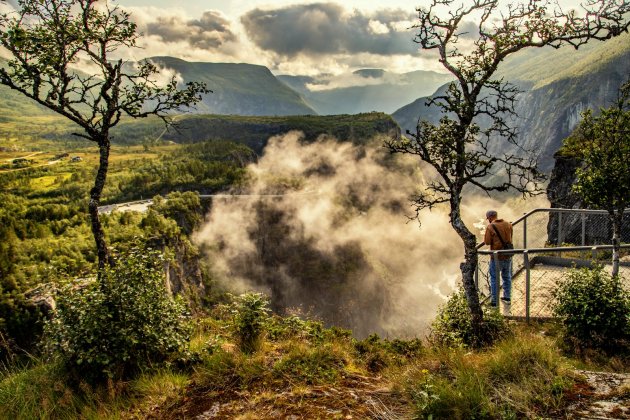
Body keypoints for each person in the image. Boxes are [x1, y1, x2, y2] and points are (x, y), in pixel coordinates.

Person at [484, 210, 513, 307]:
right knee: (507, 276)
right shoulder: (508, 224)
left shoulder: (490, 226)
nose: (488, 220)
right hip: (508, 254)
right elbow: (510, 237)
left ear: (490, 217)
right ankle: (507, 297)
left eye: (488, 218)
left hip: (496, 257)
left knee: (494, 278)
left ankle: (494, 302)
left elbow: (487, 242)